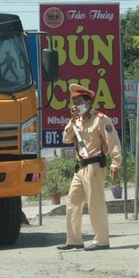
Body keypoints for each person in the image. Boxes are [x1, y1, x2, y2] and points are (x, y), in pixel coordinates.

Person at [56, 83, 122, 251]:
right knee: (73, 202)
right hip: (80, 167)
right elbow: (66, 138)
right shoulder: (76, 121)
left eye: (79, 102)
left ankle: (101, 241)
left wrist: (116, 162)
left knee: (95, 203)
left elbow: (112, 141)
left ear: (88, 102)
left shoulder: (100, 119)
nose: (76, 105)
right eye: (74, 102)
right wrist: (71, 121)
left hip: (94, 165)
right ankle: (74, 240)